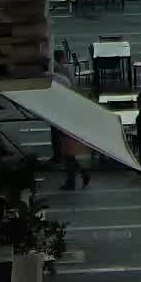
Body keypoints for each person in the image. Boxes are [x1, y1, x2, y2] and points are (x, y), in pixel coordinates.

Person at [50, 50, 92, 189]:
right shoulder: (64, 77)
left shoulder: (58, 78)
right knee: (69, 155)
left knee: (68, 154)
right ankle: (75, 179)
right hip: (69, 117)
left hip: (64, 119)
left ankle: (75, 178)